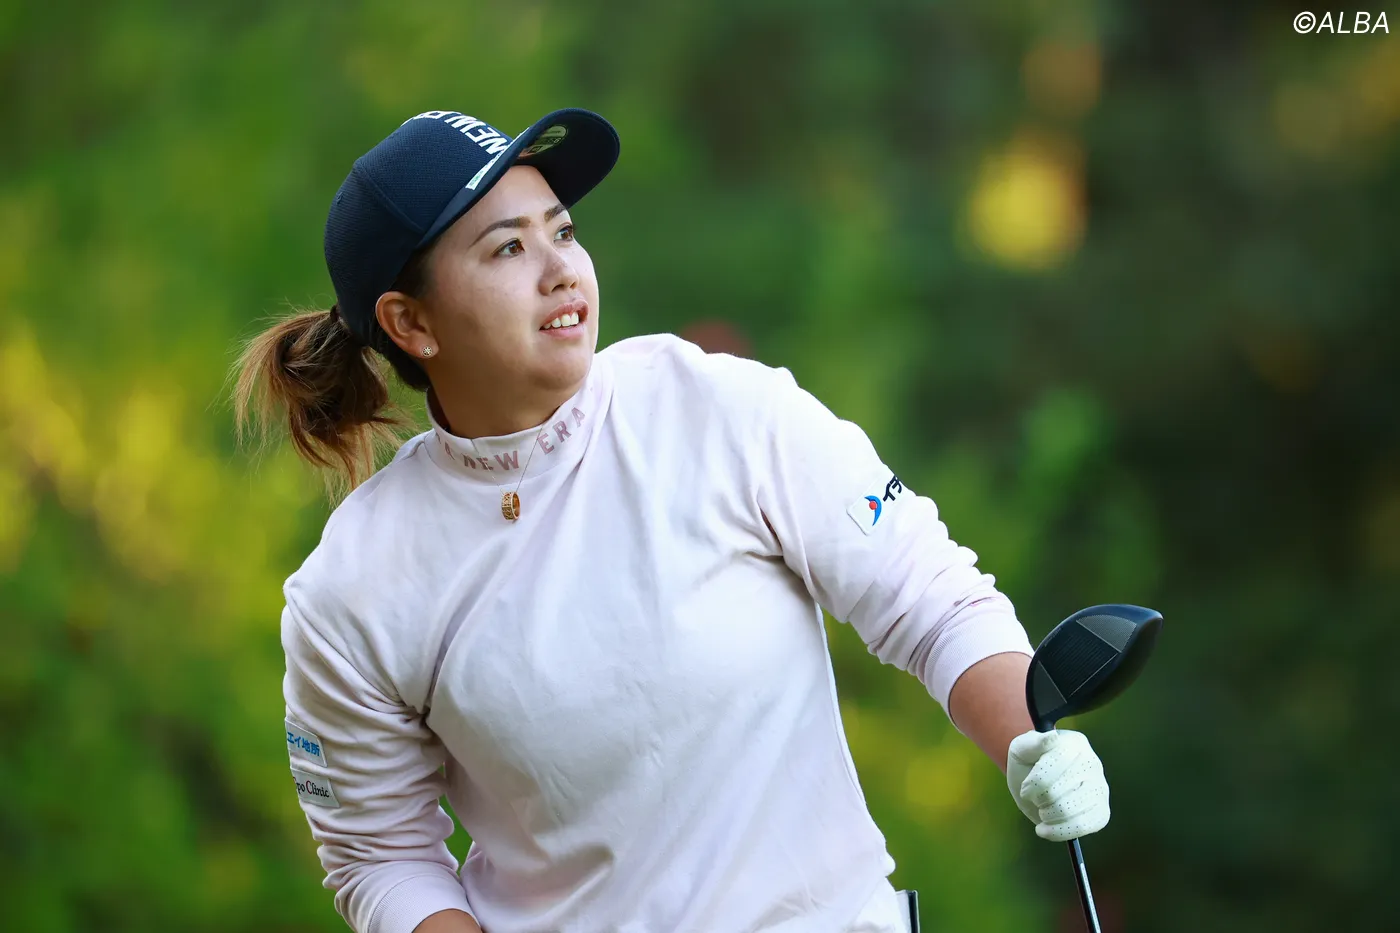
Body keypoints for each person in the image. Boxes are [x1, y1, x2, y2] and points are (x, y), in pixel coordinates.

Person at [232, 107, 1113, 933]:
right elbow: (381, 857)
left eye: (562, 231)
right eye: (507, 248)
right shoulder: (353, 589)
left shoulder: (719, 409)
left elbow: (931, 599)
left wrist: (1030, 741)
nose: (560, 269)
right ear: (410, 322)